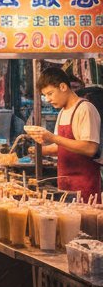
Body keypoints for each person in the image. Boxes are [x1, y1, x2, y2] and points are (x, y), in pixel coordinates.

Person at [29, 67, 101, 201]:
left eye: (50, 93)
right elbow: (62, 147)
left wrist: (51, 137)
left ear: (63, 87)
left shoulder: (85, 109)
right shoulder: (62, 112)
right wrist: (38, 150)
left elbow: (90, 148)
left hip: (84, 188)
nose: (48, 99)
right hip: (64, 185)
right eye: (45, 95)